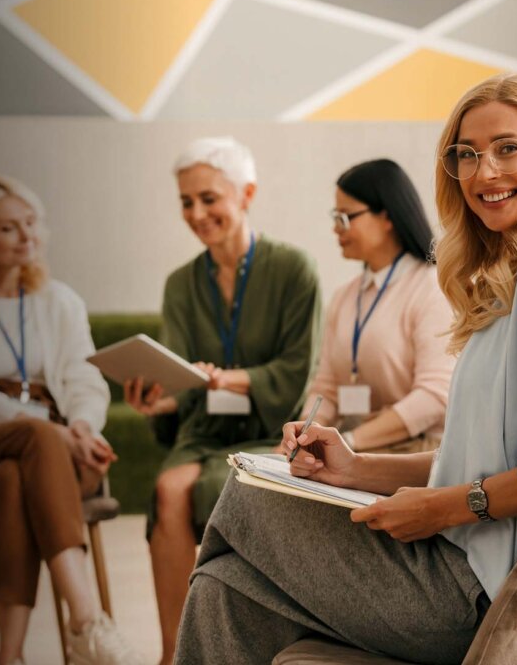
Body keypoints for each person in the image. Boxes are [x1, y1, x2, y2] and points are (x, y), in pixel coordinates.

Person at [174, 72, 517, 664]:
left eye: (508, 148)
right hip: (465, 565)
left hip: (479, 591)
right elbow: (484, 460)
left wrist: (445, 507)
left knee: (247, 497)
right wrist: (356, 468)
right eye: (467, 155)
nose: (483, 172)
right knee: (222, 589)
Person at [0, 176, 142, 665]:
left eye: (31, 223)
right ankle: (86, 621)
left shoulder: (60, 300)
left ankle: (10, 656)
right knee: (32, 438)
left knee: (12, 477)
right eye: (8, 228)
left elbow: (85, 380)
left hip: (52, 453)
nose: (27, 237)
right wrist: (53, 432)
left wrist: (81, 426)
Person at [122, 136, 321, 665]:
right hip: (203, 432)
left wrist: (226, 379)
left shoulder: (295, 269)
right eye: (186, 202)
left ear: (246, 194)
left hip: (272, 430)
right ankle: (174, 653)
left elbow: (294, 373)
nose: (196, 213)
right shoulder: (179, 285)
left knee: (225, 487)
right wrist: (157, 402)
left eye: (209, 198)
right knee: (169, 489)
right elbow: (183, 387)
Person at [297, 159, 454, 454]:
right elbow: (326, 389)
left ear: (387, 217)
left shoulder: (432, 288)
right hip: (354, 450)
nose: (336, 229)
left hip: (416, 452)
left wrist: (351, 441)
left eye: (345, 217)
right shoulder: (345, 296)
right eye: (335, 217)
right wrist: (304, 434)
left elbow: (434, 396)